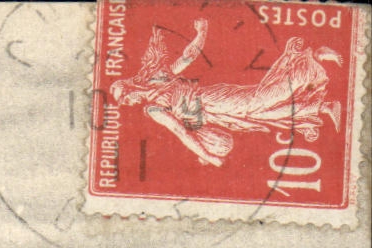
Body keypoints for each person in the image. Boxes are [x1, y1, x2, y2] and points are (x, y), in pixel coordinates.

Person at [110, 19, 343, 167]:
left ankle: (312, 58)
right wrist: (206, 151)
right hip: (214, 114)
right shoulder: (153, 98)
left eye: (126, 98)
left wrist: (202, 32)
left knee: (263, 99)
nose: (129, 103)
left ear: (130, 88)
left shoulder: (155, 95)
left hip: (212, 100)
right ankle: (323, 107)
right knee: (263, 115)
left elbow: (181, 131)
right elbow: (188, 128)